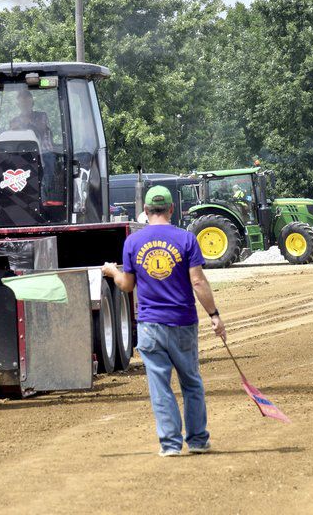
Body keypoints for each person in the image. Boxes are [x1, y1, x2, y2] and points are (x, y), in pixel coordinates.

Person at [101, 185, 227, 457]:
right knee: (191, 382)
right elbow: (197, 281)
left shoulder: (132, 242)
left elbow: (126, 285)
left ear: (145, 211)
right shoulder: (186, 239)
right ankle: (196, 441)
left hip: (150, 324)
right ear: (171, 209)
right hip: (182, 321)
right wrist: (215, 316)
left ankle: (170, 445)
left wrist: (112, 272)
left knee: (160, 386)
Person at [9, 89, 55, 201]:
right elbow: (11, 136)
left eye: (27, 102)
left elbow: (41, 129)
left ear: (32, 103)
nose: (24, 105)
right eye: (22, 103)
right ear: (18, 105)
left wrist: (27, 122)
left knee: (45, 178)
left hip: (44, 153)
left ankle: (46, 199)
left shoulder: (41, 116)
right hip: (23, 155)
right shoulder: (14, 120)